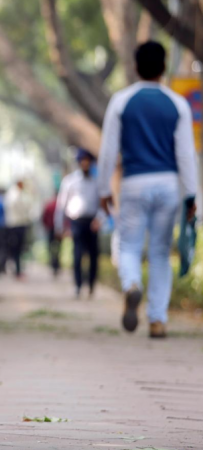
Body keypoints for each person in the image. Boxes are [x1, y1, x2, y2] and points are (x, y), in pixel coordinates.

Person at [98, 41, 198, 338]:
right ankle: (157, 319)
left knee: (128, 246)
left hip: (134, 183)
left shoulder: (121, 100)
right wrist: (192, 195)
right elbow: (186, 154)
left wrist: (104, 189)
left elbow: (107, 151)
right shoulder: (177, 103)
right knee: (159, 253)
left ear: (136, 67)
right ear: (163, 67)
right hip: (167, 184)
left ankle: (131, 285)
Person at [55, 149, 103, 299]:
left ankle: (91, 285)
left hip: (92, 222)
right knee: (77, 254)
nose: (85, 163)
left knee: (94, 255)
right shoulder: (70, 181)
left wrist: (99, 219)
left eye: (88, 161)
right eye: (83, 160)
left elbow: (103, 204)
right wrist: (59, 226)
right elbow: (61, 205)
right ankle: (78, 285)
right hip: (76, 222)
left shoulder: (97, 182)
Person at [4, 180, 34, 279]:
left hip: (18, 225)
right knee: (16, 249)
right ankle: (17, 270)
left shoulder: (14, 194)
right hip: (16, 225)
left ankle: (18, 269)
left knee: (18, 249)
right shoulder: (15, 195)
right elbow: (24, 207)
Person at [41, 191, 61, 277]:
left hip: (50, 229)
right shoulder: (60, 206)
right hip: (59, 230)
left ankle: (53, 263)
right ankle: (56, 264)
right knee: (58, 248)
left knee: (51, 247)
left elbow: (43, 217)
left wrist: (46, 226)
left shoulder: (49, 205)